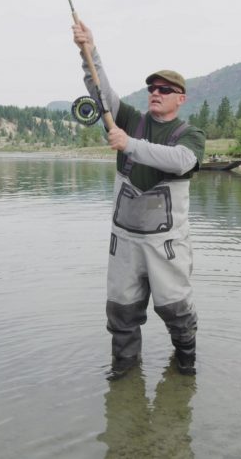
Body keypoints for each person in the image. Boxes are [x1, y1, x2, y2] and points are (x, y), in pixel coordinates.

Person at [72, 20, 205, 379]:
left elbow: (181, 161)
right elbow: (102, 92)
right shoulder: (129, 119)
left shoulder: (190, 134)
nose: (155, 92)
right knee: (121, 313)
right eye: (151, 88)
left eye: (165, 89)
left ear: (181, 98)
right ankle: (125, 374)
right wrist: (89, 50)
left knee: (176, 311)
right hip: (125, 242)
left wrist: (129, 144)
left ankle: (186, 362)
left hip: (167, 246)